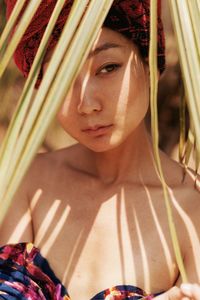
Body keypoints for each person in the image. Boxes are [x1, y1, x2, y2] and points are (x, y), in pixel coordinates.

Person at [0, 1, 200, 299]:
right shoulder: (23, 183)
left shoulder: (191, 210)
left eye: (108, 67)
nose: (86, 104)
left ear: (151, 63)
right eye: (61, 77)